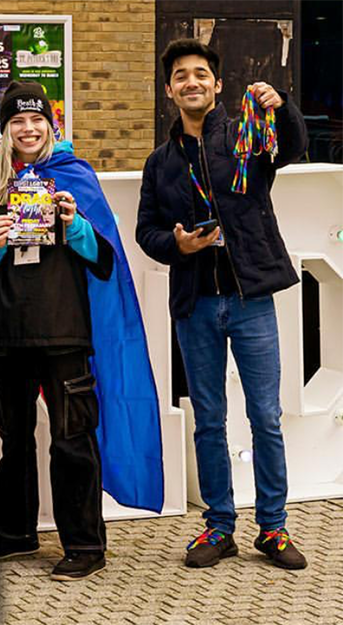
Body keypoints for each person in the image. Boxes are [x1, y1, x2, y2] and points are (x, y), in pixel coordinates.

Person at [0, 81, 162, 582]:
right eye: (17, 122)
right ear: (3, 132)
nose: (27, 129)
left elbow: (106, 261)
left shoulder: (75, 182)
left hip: (65, 333)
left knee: (72, 440)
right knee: (14, 439)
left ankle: (85, 545)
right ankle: (16, 533)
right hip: (5, 338)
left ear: (51, 125)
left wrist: (76, 225)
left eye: (36, 121)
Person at [136, 39, 308, 570]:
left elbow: (293, 146)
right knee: (209, 420)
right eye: (181, 76)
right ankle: (219, 526)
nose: (192, 82)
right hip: (195, 304)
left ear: (216, 85)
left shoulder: (245, 135)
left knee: (266, 417)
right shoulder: (160, 161)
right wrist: (177, 244)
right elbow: (147, 231)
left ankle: (273, 529)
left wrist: (282, 104)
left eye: (201, 75)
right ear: (170, 91)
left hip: (250, 296)